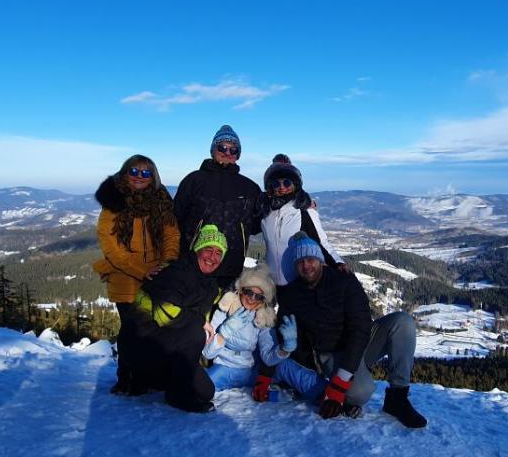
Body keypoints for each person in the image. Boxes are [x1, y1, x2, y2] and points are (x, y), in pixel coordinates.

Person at [259, 232, 427, 428]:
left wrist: (341, 383)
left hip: (362, 342)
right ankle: (351, 389)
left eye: (310, 259)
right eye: (300, 262)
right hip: (332, 354)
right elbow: (286, 337)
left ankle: (397, 398)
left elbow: (361, 326)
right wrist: (270, 375)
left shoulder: (344, 281)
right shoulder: (292, 296)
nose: (306, 266)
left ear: (320, 260)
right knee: (360, 393)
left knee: (402, 322)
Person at [93, 155, 181, 394]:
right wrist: (141, 270)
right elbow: (111, 246)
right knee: (131, 330)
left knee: (153, 329)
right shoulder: (114, 201)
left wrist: (168, 262)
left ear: (153, 177)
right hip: (124, 276)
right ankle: (127, 379)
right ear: (125, 172)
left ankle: (149, 377)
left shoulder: (161, 200)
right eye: (134, 171)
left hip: (156, 275)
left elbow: (171, 235)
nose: (140, 177)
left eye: (146, 172)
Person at [119, 224, 228, 412]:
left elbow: (209, 301)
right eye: (208, 249)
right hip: (142, 343)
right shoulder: (177, 272)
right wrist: (201, 322)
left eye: (219, 253)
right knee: (196, 332)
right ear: (197, 250)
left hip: (167, 344)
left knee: (206, 391)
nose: (213, 257)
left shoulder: (208, 283)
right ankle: (176, 394)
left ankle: (161, 380)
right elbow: (165, 313)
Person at [174, 124, 263, 289]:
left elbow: (259, 223)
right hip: (194, 265)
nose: (227, 152)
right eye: (222, 147)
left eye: (233, 149)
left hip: (231, 269)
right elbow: (175, 219)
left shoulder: (250, 188)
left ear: (238, 155)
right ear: (213, 150)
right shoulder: (194, 180)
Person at [202, 265, 296, 391]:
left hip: (251, 372)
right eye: (249, 292)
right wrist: (225, 332)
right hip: (223, 369)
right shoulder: (225, 308)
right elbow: (207, 353)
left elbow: (268, 358)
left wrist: (285, 348)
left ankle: (320, 393)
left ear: (263, 300)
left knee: (287, 370)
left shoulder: (264, 317)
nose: (252, 299)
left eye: (259, 296)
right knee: (199, 387)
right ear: (241, 289)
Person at [259, 153, 341, 286]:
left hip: (297, 284)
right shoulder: (266, 212)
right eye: (276, 183)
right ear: (270, 187)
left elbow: (321, 242)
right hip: (272, 284)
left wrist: (338, 263)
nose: (282, 187)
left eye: (287, 182)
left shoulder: (304, 211)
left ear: (295, 184)